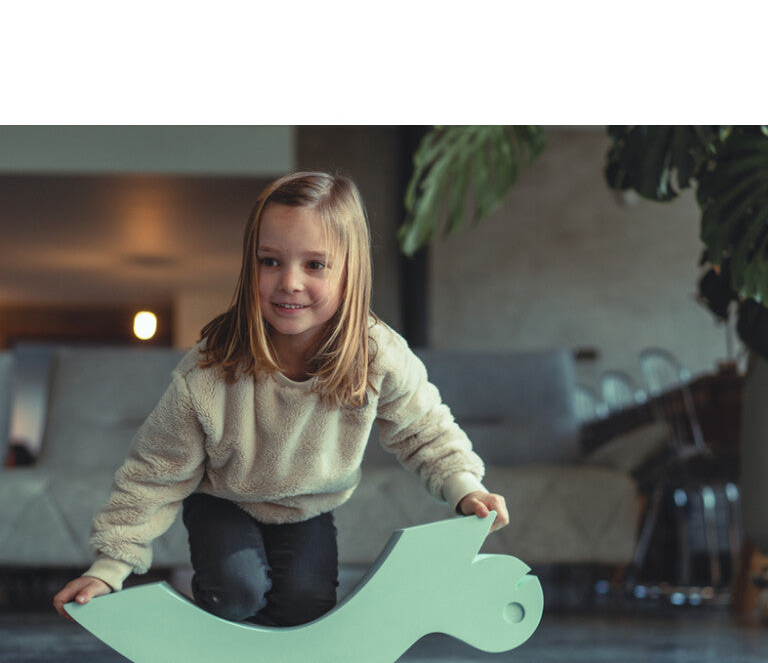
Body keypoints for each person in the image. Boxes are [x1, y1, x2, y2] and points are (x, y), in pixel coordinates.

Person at [53, 171, 508, 626]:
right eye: (270, 261)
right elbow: (156, 470)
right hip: (224, 499)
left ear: (350, 271)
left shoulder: (377, 356)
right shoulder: (211, 368)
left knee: (306, 607)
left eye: (315, 265)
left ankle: (269, 652)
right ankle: (224, 632)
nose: (289, 281)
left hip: (308, 506)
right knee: (238, 591)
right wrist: (110, 567)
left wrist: (465, 488)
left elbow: (424, 430)